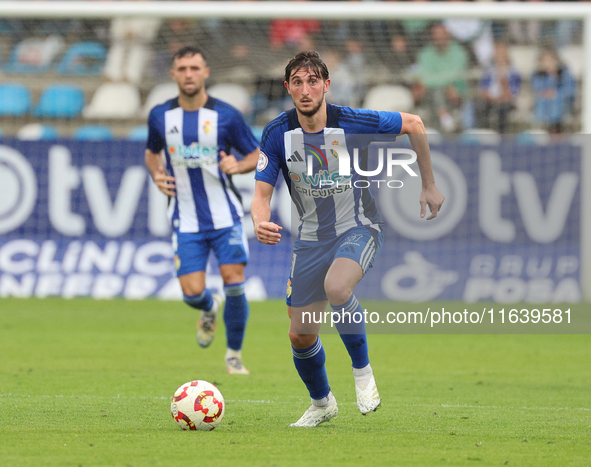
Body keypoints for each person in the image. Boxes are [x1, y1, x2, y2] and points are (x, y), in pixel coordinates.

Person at [250, 51, 444, 427]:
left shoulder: (352, 121)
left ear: (326, 85)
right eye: (298, 82)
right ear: (287, 88)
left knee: (338, 286)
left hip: (359, 227)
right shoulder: (277, 132)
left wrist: (429, 185)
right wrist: (260, 221)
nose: (306, 90)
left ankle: (363, 373)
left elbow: (415, 123)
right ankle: (322, 404)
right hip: (309, 240)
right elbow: (261, 196)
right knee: (300, 336)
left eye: (313, 81)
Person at [145, 46, 260, 375]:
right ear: (173, 75)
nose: (189, 74)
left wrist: (237, 166)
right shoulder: (160, 116)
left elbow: (256, 154)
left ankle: (234, 354)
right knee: (192, 292)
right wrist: (156, 174)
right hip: (186, 219)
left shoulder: (226, 115)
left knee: (234, 280)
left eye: (195, 68)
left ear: (206, 72)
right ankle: (209, 308)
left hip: (226, 216)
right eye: (182, 69)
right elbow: (151, 153)